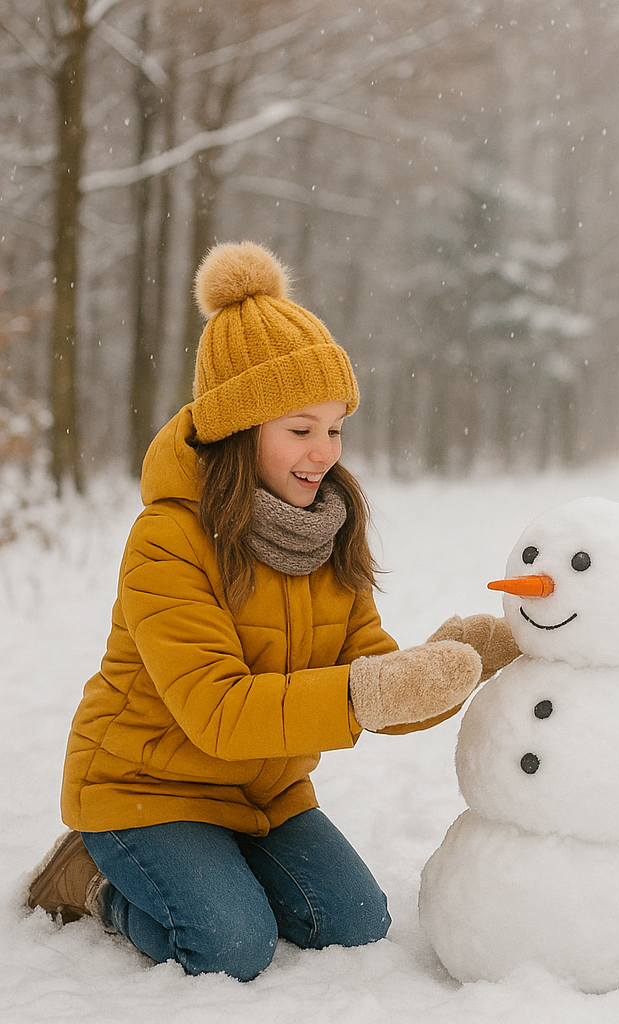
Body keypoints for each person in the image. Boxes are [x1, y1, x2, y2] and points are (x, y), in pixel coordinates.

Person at [24, 241, 520, 980]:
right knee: (229, 946)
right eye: (300, 429)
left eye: (335, 427)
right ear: (238, 427)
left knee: (353, 922)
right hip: (144, 789)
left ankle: (219, 865)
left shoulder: (325, 530)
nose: (324, 453)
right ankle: (90, 880)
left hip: (264, 791)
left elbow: (371, 673)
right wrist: (368, 692)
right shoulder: (167, 538)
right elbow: (216, 708)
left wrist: (457, 659)